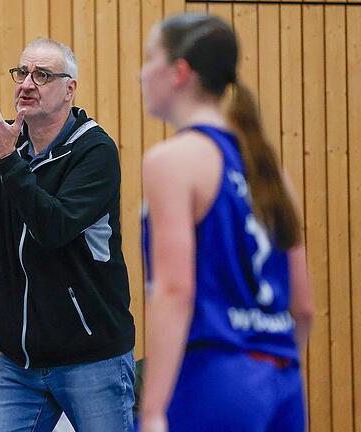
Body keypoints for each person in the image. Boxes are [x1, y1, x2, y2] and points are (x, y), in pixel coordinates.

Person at [0, 36, 136, 431]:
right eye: (22, 73)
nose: (26, 83)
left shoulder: (94, 151)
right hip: (20, 362)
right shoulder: (11, 143)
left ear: (69, 89)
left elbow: (53, 228)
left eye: (42, 75)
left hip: (91, 357)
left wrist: (6, 160)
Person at [138, 13, 314, 432]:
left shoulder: (173, 161)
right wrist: (273, 372)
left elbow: (175, 290)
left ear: (179, 72)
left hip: (215, 375)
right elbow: (303, 308)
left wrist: (152, 411)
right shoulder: (270, 171)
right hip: (282, 380)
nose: (142, 72)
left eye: (149, 58)